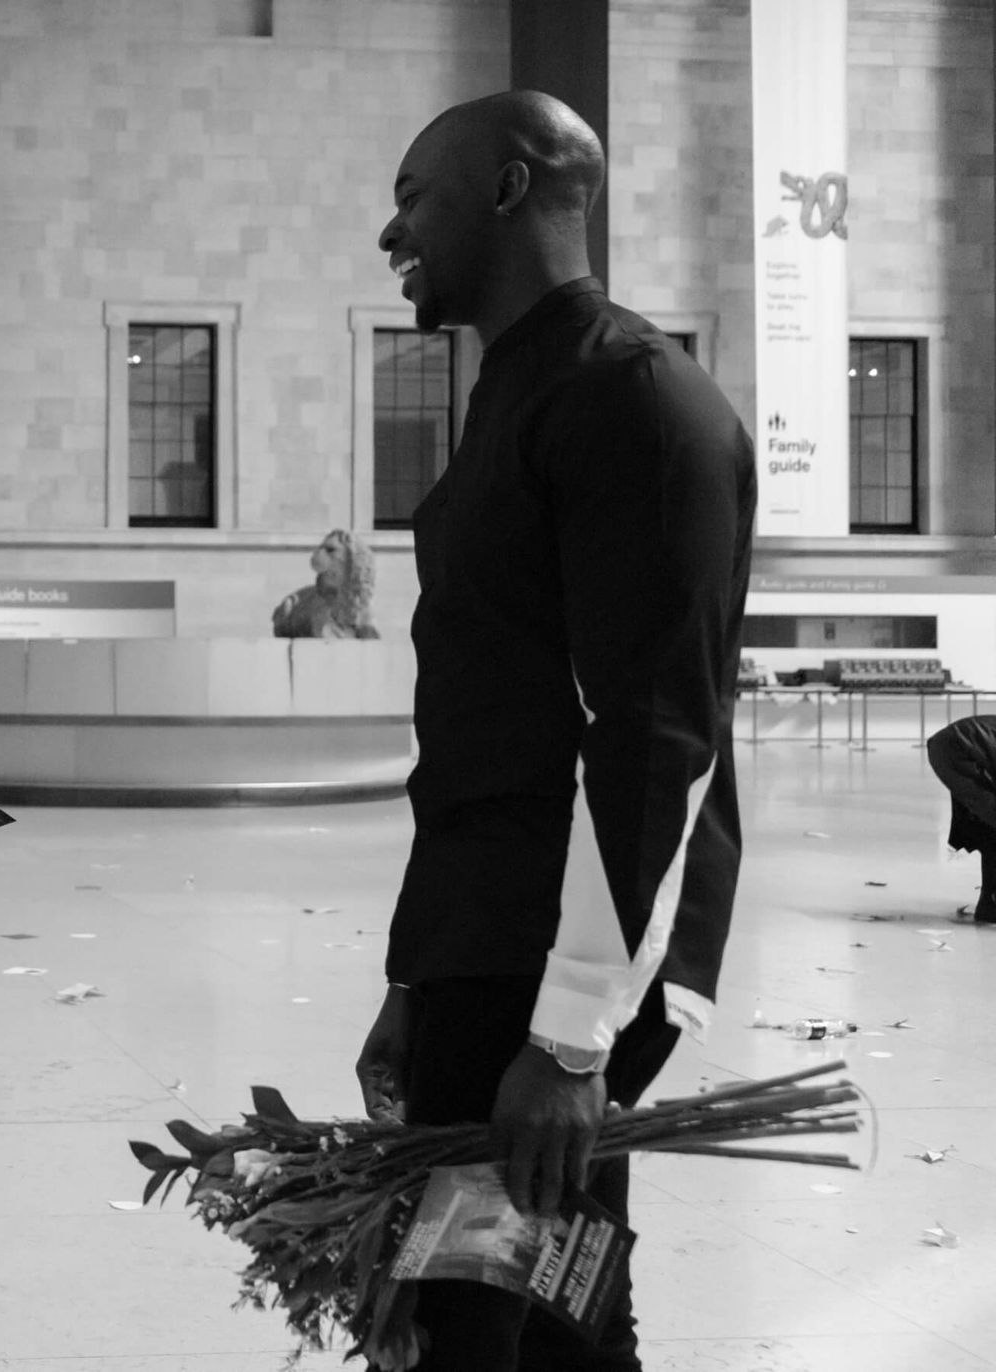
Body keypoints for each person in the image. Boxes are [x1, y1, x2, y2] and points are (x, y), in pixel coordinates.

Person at [355, 91, 755, 1371]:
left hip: (561, 971)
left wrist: (570, 1031)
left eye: (415, 193)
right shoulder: (521, 391)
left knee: (469, 1323)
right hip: (494, 952)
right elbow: (487, 723)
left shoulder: (631, 398)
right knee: (559, 1312)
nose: (391, 229)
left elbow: (653, 734)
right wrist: (420, 982)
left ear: (512, 187)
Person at [925, 715, 996, 922]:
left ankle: (990, 904)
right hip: (958, 750)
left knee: (988, 826)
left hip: (953, 747)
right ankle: (990, 904)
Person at [271, 528, 381, 639]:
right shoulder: (314, 600)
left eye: (331, 550)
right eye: (321, 548)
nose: (320, 552)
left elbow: (371, 636)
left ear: (350, 557)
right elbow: (323, 631)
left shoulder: (363, 604)